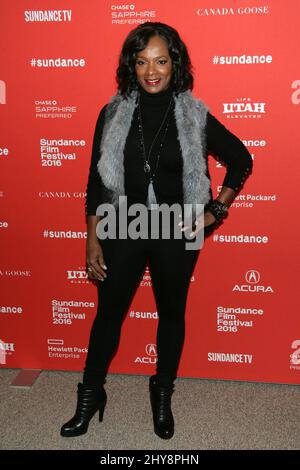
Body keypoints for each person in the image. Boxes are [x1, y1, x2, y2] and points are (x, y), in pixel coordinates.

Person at [60, 22, 253, 440]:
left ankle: (162, 392)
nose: (152, 70)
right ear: (131, 64)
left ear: (174, 63)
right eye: (142, 60)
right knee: (108, 315)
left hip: (176, 228)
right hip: (123, 224)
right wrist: (92, 236)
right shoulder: (111, 114)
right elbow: (96, 183)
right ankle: (91, 395)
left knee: (171, 315)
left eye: (161, 61)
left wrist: (214, 211)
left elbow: (241, 159)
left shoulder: (193, 115)